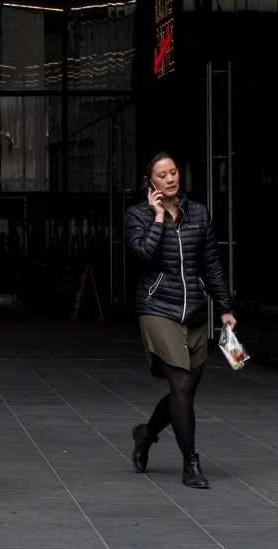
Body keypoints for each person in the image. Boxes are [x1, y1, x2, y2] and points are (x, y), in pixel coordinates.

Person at [125, 152, 235, 489]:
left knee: (183, 390)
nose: (171, 178)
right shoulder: (136, 215)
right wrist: (158, 218)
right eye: (163, 174)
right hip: (157, 307)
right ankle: (191, 464)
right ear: (150, 182)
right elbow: (142, 254)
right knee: (182, 385)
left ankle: (145, 435)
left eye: (174, 172)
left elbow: (212, 262)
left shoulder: (199, 213)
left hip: (197, 313)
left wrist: (225, 307)